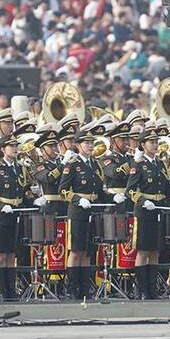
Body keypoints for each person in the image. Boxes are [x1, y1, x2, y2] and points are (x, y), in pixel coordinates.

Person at [126, 122, 170, 299]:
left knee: (155, 250)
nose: (154, 144)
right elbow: (130, 190)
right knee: (143, 251)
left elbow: (167, 191)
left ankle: (152, 289)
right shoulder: (138, 164)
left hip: (159, 210)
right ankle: (141, 289)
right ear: (143, 145)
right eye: (151, 142)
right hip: (145, 211)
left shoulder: (160, 164)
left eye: (156, 142)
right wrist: (143, 201)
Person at [59, 123, 111, 299]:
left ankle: (84, 287)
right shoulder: (73, 165)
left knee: (88, 251)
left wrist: (113, 200)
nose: (90, 145)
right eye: (86, 143)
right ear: (78, 145)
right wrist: (78, 199)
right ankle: (73, 288)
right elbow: (63, 190)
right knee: (76, 251)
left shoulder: (96, 165)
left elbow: (100, 190)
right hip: (78, 212)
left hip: (92, 212)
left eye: (91, 143)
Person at [0, 134, 27, 300]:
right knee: (0, 254)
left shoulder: (20, 168)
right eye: (11, 146)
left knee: (11, 254)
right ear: (3, 149)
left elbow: (24, 190)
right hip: (2, 215)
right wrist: (1, 206)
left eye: (16, 146)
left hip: (15, 214)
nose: (15, 149)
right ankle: (1, 290)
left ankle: (11, 290)